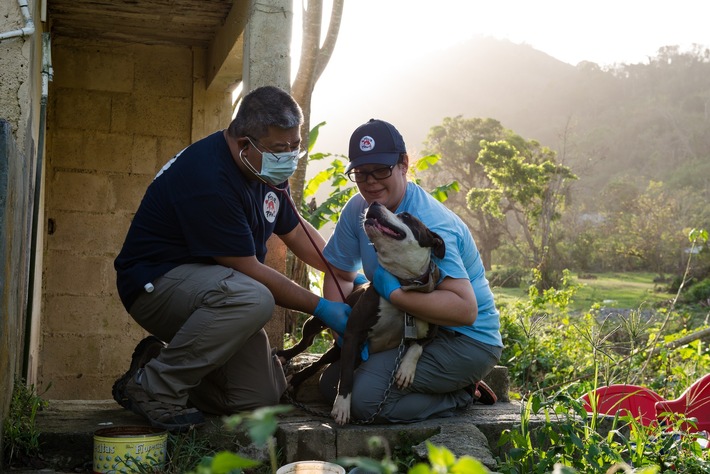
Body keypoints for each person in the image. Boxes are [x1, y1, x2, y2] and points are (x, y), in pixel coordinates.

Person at [112, 85, 352, 432]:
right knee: (254, 298)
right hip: (156, 285)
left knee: (260, 398)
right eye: (279, 149)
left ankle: (151, 365)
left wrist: (345, 269)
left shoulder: (262, 169)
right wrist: (322, 308)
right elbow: (247, 269)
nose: (288, 156)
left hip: (218, 291)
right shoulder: (209, 177)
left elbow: (296, 232)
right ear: (244, 145)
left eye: (295, 146)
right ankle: (155, 388)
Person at [319, 118, 503, 423]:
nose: (371, 182)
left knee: (362, 402)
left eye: (381, 170)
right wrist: (341, 324)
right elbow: (340, 274)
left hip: (465, 339)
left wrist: (393, 293)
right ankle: (438, 383)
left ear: (404, 164)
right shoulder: (360, 208)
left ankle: (459, 393)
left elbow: (464, 309)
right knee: (330, 386)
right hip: (410, 332)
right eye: (361, 173)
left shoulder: (428, 222)